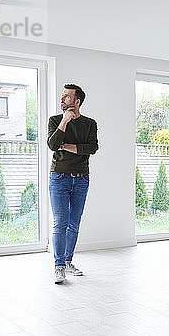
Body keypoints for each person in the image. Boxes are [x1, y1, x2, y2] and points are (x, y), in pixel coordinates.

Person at [47, 84, 98, 284]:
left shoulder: (90, 123)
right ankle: (59, 266)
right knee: (61, 222)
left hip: (81, 178)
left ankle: (68, 261)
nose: (62, 100)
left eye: (67, 97)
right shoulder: (55, 120)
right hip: (59, 177)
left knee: (74, 223)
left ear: (77, 101)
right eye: (62, 96)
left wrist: (67, 146)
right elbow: (52, 145)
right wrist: (64, 123)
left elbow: (92, 147)